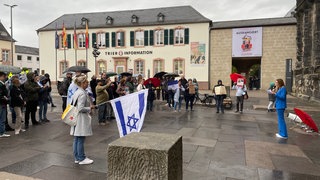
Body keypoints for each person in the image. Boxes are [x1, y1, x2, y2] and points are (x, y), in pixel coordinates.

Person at [70, 74, 96, 165]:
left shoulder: (77, 92)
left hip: (76, 117)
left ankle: (77, 157)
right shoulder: (82, 93)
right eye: (86, 82)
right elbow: (80, 108)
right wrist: (90, 108)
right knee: (80, 138)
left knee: (76, 138)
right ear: (82, 83)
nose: (87, 84)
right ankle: (81, 158)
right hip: (80, 118)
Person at [0, 71, 10, 137]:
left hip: (3, 103)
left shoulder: (2, 84)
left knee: (2, 118)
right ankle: (1, 132)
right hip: (1, 103)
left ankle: (2, 132)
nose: (5, 78)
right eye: (4, 76)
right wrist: (4, 98)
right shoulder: (1, 84)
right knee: (2, 118)